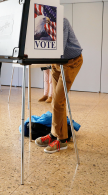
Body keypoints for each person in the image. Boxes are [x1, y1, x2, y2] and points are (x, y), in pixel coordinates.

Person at [35, 18, 83, 153]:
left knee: (57, 100)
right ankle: (53, 135)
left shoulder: (61, 22)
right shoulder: (40, 24)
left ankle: (62, 141)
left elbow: (58, 47)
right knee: (57, 102)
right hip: (56, 62)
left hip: (71, 61)